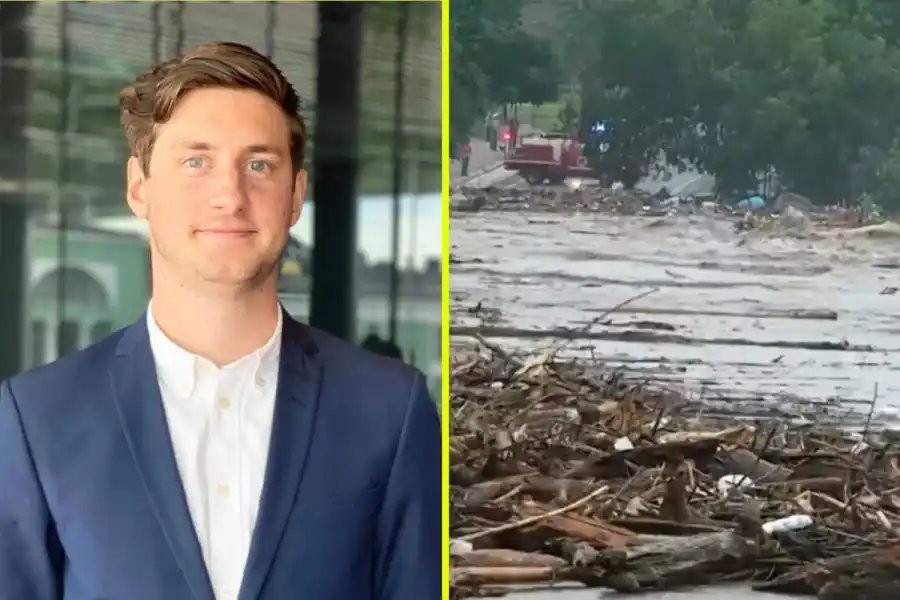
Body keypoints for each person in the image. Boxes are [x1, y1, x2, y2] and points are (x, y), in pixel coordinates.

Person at [0, 42, 440, 600]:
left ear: (296, 194)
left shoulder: (389, 410)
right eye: (196, 162)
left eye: (259, 165)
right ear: (139, 188)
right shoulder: (38, 418)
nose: (230, 195)